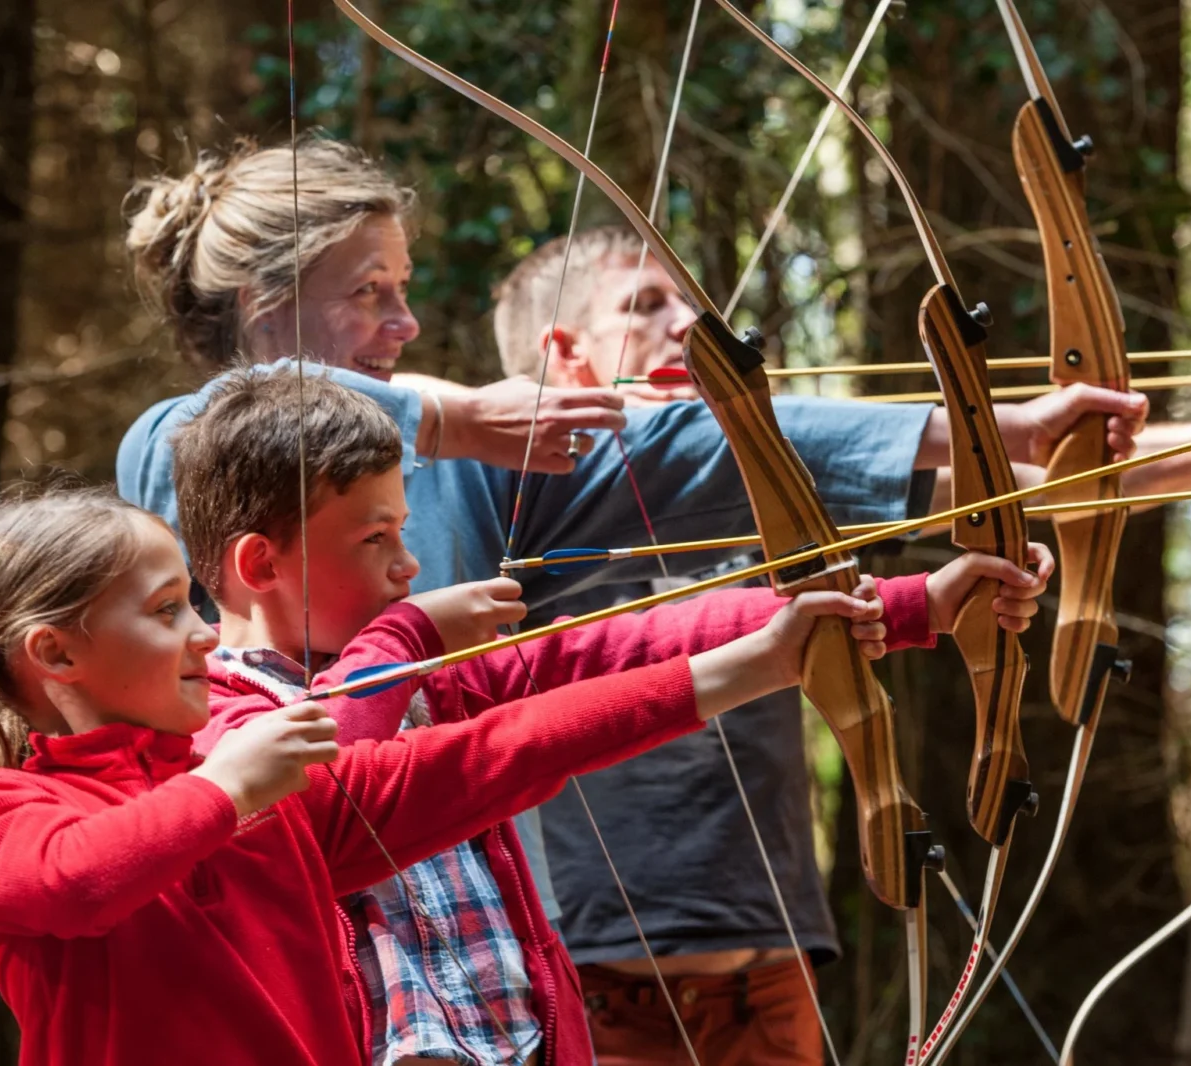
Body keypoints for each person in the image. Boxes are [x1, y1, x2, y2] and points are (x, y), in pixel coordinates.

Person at [113, 136, 1149, 929]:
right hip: (274, 929)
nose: (405, 323)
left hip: (487, 921)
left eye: (405, 290)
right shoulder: (176, 444)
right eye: (368, 292)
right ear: (262, 305)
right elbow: (239, 415)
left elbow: (708, 445)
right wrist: (457, 413)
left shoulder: (478, 466)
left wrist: (986, 426)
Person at [495, 226, 1191, 1066]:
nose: (688, 322)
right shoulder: (524, 504)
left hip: (773, 979)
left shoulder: (772, 494)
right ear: (565, 357)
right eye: (643, 307)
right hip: (600, 988)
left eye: (683, 300)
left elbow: (1038, 485)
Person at [0, 471, 1040, 1066]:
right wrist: (229, 786)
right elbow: (73, 883)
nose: (202, 634)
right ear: (56, 657)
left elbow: (505, 746)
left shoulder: (262, 773)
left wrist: (755, 664)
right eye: (162, 612)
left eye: (192, 606)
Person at [168, 367, 1053, 1066]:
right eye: (375, 539)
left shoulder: (432, 679)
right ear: (259, 563)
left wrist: (908, 607)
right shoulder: (214, 724)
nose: (409, 565)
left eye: (405, 530)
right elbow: (340, 783)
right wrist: (402, 636)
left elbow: (626, 647)